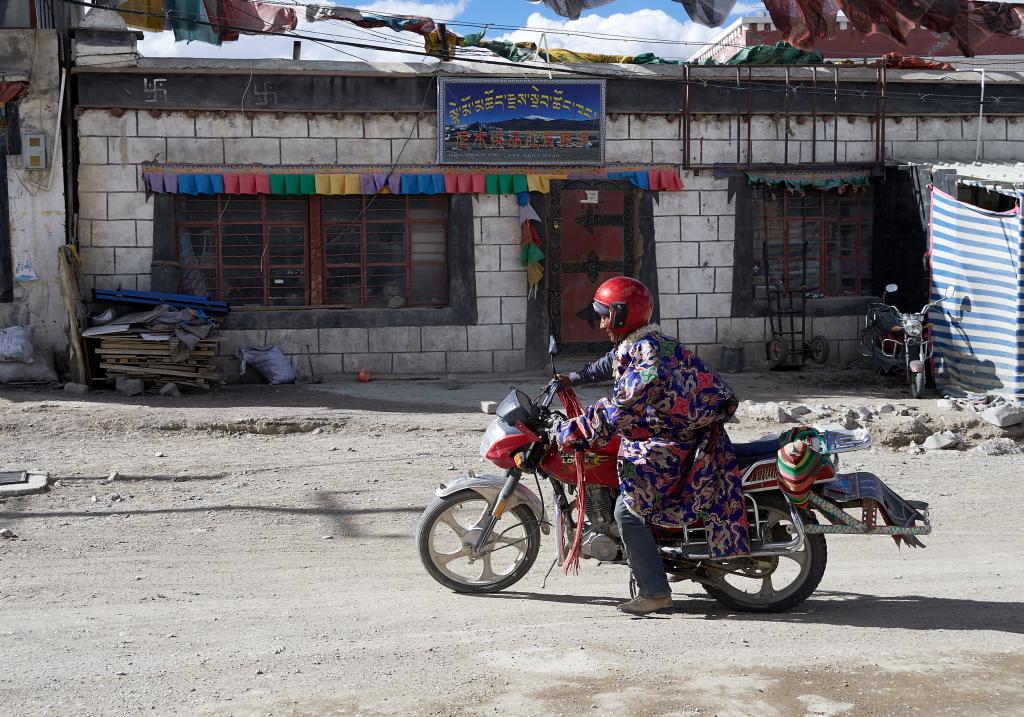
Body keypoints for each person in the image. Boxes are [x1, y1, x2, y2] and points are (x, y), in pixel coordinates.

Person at [555, 276, 751, 616]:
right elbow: (611, 362)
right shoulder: (642, 343)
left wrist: (567, 432)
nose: (601, 324)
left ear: (620, 315)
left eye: (604, 316)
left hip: (673, 444)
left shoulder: (648, 364)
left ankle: (655, 592)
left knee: (627, 511)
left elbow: (615, 410)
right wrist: (575, 378)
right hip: (663, 432)